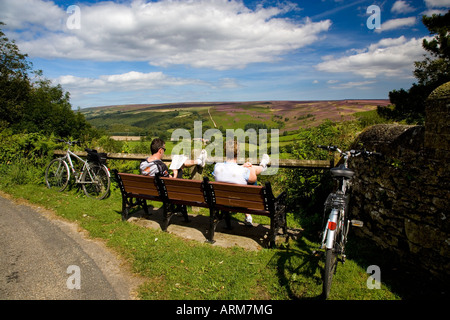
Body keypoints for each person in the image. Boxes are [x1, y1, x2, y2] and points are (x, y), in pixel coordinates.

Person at [213, 139, 270, 226]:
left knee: (249, 173)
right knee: (252, 172)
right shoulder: (243, 171)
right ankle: (263, 166)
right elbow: (253, 179)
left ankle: (262, 166)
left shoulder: (217, 167)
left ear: (225, 152)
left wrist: (242, 167)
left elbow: (229, 170)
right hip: (242, 201)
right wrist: (249, 168)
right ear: (238, 153)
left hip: (223, 201)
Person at [140, 138, 207, 178]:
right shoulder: (161, 166)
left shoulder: (143, 163)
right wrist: (175, 173)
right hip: (164, 192)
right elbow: (169, 182)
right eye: (164, 150)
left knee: (181, 163)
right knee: (180, 166)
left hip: (150, 190)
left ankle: (198, 161)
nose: (164, 152)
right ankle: (199, 161)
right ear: (160, 150)